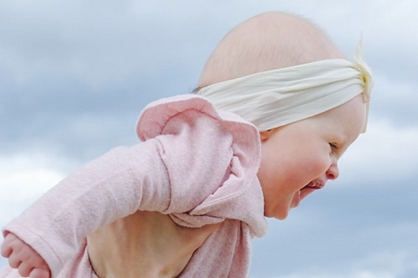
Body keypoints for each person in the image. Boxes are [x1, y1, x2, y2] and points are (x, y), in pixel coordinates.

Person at [1, 11, 373, 278]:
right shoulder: (206, 156)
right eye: (332, 145)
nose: (335, 169)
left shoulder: (237, 211)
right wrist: (44, 233)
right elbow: (119, 175)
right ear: (266, 121)